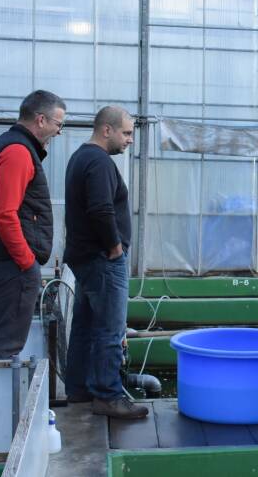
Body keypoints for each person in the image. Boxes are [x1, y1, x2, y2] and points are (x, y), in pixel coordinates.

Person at [63, 106, 148, 419]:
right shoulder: (98, 162)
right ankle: (108, 395)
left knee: (85, 327)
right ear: (106, 129)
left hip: (85, 258)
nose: (130, 140)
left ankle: (79, 390)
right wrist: (114, 247)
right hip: (102, 259)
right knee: (110, 330)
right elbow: (101, 209)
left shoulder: (80, 157)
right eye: (126, 133)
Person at [0, 90, 65, 360]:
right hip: (13, 264)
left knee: (0, 339)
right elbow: (4, 214)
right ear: (41, 120)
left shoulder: (11, 145)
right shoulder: (18, 152)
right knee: (5, 345)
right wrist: (27, 263)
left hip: (6, 262)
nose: (59, 131)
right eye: (58, 124)